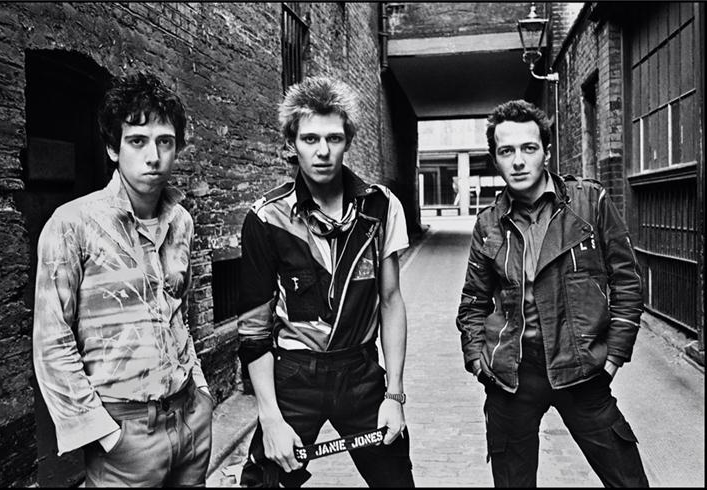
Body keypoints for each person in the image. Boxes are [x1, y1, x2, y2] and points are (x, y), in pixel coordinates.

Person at [32, 72, 214, 487]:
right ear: (114, 148)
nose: (153, 156)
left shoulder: (180, 221)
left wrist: (201, 394)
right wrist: (104, 433)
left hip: (190, 419)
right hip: (126, 434)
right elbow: (51, 341)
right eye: (138, 141)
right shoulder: (72, 224)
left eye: (165, 141)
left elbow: (176, 313)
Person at [456, 99, 649, 487]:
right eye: (506, 151)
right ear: (495, 159)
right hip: (512, 376)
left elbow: (627, 281)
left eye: (528, 148)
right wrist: (478, 361)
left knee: (628, 480)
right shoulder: (488, 225)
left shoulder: (588, 203)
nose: (518, 161)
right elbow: (473, 302)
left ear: (546, 150)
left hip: (582, 369)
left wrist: (613, 356)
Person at [237, 76, 415, 488]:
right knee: (263, 483)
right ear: (291, 144)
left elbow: (390, 301)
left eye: (333, 138)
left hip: (360, 371)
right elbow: (253, 329)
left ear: (348, 140)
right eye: (310, 138)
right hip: (295, 375)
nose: (322, 151)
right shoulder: (266, 218)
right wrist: (270, 418)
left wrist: (395, 396)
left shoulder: (379, 206)